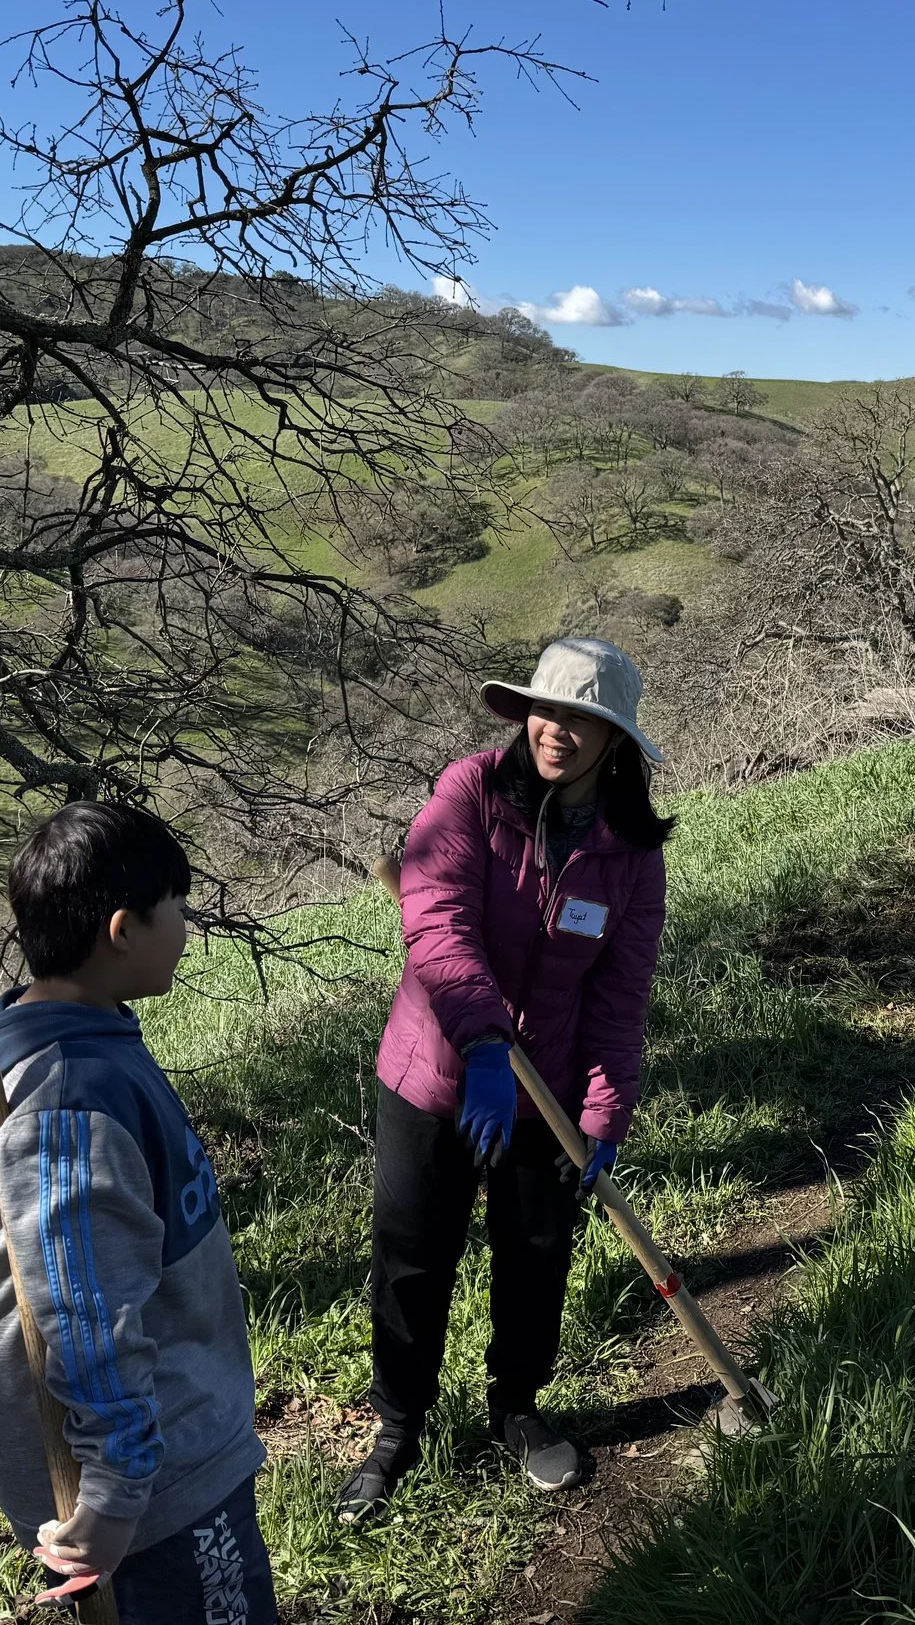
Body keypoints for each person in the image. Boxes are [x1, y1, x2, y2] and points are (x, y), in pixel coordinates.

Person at [337, 637, 674, 1521]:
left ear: (617, 739)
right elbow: (436, 923)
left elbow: (620, 993)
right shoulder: (469, 793)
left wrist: (603, 1110)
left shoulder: (631, 853)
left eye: (583, 717)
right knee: (413, 1253)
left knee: (535, 1256)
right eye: (547, 708)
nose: (557, 729)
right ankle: (398, 1425)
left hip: (549, 1088)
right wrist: (484, 1043)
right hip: (434, 1071)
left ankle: (517, 1406)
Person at [0, 802, 275, 1625]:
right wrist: (118, 1490)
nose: (187, 928)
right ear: (123, 930)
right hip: (157, 1495)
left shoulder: (99, 1042)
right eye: (178, 909)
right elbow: (85, 1312)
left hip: (177, 1450)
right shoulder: (69, 1101)